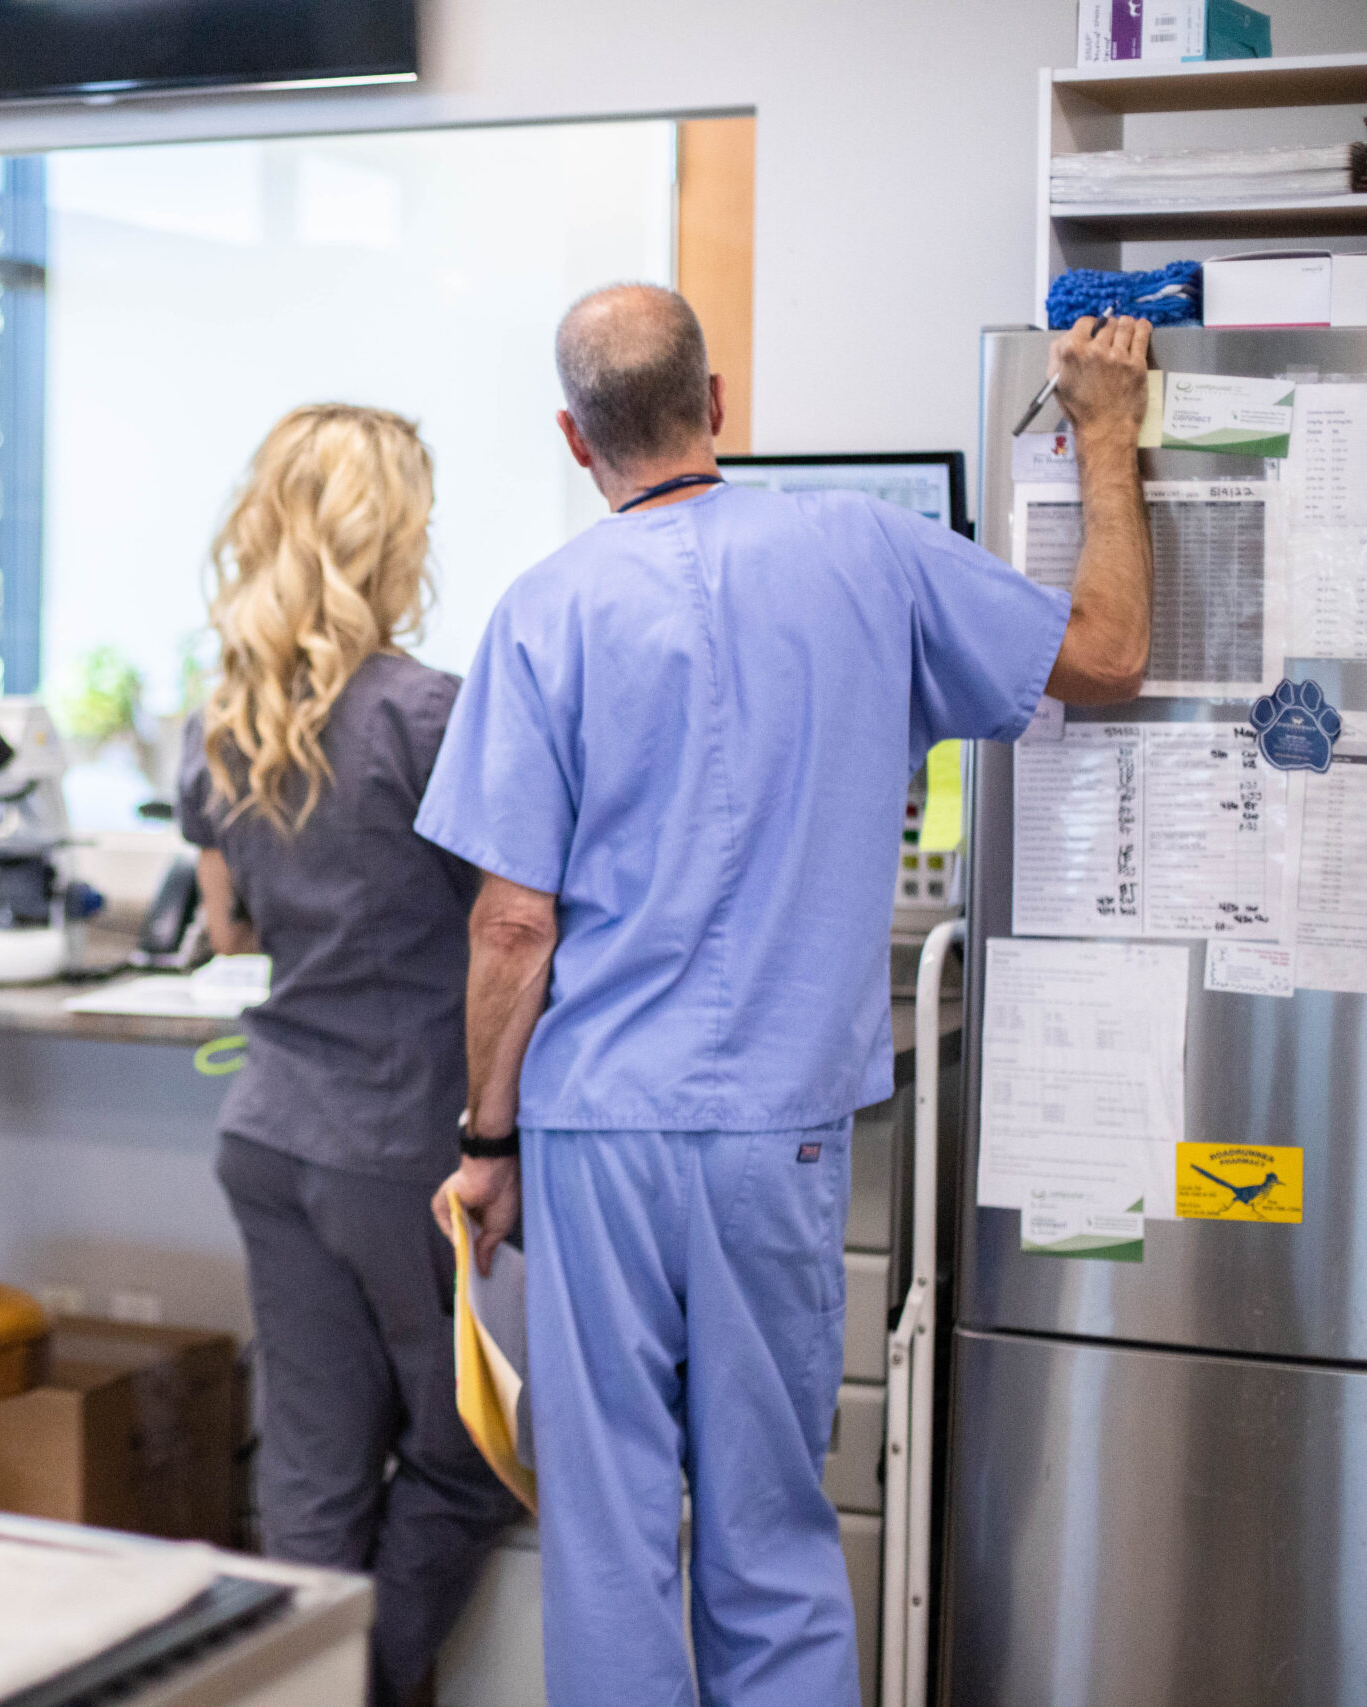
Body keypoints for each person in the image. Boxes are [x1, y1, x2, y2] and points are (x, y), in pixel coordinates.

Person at [420, 287, 1152, 1705]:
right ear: (719, 403)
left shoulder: (543, 610)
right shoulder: (870, 549)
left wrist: (486, 1141)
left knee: (612, 1534)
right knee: (767, 1528)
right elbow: (1111, 654)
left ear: (574, 441)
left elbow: (513, 923)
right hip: (782, 1131)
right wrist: (1108, 438)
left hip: (595, 1135)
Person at [179, 404, 519, 1707]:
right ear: (395, 537)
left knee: (311, 1487)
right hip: (403, 1149)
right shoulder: (431, 715)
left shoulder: (226, 720)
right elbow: (518, 920)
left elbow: (230, 922)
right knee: (473, 1456)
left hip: (273, 1131)